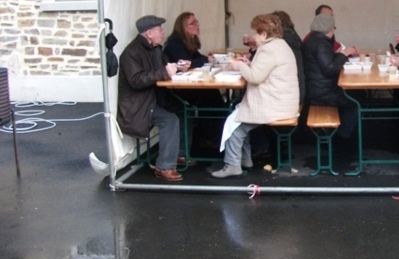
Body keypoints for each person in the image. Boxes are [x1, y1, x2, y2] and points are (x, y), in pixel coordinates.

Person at [211, 14, 299, 178]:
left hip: (274, 105)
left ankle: (232, 165)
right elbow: (265, 71)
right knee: (237, 118)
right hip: (283, 102)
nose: (254, 36)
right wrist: (250, 64)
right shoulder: (279, 45)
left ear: (264, 34)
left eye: (256, 33)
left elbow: (255, 78)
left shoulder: (268, 50)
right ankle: (245, 159)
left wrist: (239, 66)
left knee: (235, 126)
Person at [117, 15, 183, 182]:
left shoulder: (155, 48)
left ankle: (178, 153)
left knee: (182, 108)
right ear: (149, 33)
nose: (163, 33)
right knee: (170, 120)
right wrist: (165, 72)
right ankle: (164, 167)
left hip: (152, 99)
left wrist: (179, 67)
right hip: (138, 106)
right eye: (159, 29)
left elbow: (162, 69)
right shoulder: (131, 52)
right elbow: (136, 81)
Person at [164, 12, 227, 153]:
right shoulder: (176, 43)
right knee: (211, 98)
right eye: (192, 23)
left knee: (213, 96)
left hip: (189, 84)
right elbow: (187, 63)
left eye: (197, 22)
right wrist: (203, 60)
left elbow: (198, 58)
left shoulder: (189, 41)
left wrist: (205, 59)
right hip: (179, 88)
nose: (197, 25)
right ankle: (211, 138)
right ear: (183, 27)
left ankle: (213, 137)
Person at [302, 13, 359, 139]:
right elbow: (330, 68)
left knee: (354, 97)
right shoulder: (321, 44)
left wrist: (337, 54)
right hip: (322, 93)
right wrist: (344, 53)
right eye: (334, 27)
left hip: (315, 88)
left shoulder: (313, 40)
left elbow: (325, 62)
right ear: (329, 29)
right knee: (357, 101)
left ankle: (336, 132)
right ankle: (340, 137)